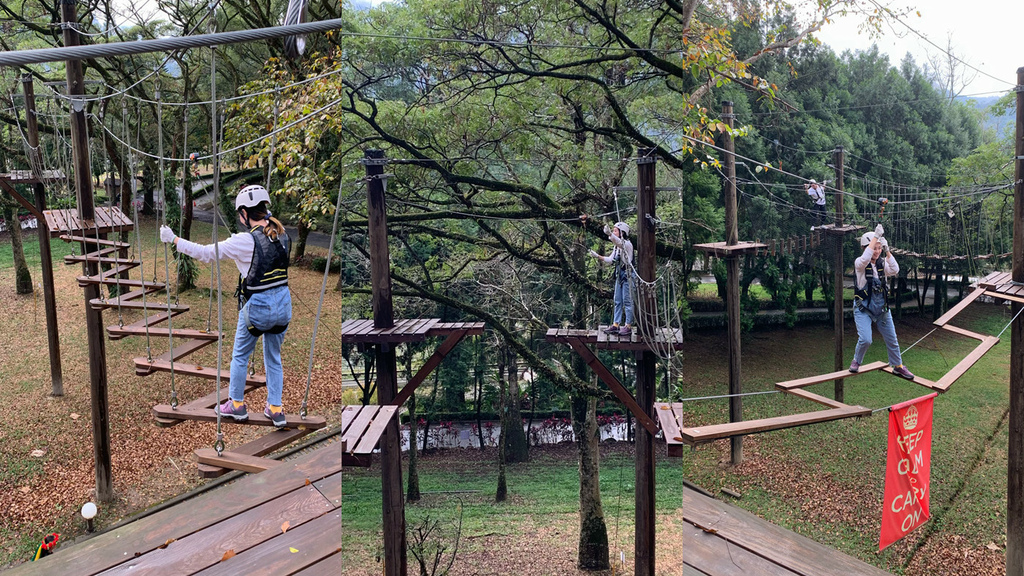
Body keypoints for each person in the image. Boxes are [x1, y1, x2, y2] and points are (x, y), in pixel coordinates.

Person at [159, 184, 293, 426]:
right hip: (283, 306)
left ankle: (237, 404)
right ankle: (275, 407)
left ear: (244, 213)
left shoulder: (245, 240)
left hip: (258, 308)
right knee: (274, 357)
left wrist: (174, 239)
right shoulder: (281, 234)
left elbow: (206, 253)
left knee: (240, 356)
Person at [849, 224, 914, 380]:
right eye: (874, 248)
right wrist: (876, 237)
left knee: (892, 339)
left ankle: (898, 366)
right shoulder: (860, 264)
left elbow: (895, 269)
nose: (877, 251)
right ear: (866, 247)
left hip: (882, 308)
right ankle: (857, 360)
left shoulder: (881, 264)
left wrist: (887, 250)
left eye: (879, 248)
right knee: (866, 339)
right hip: (863, 308)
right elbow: (865, 258)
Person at [589, 221, 634, 336]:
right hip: (619, 275)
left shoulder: (627, 244)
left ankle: (628, 326)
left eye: (615, 230)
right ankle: (616, 324)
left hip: (627, 275)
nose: (614, 232)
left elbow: (619, 242)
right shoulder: (617, 247)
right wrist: (597, 256)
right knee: (617, 300)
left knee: (627, 301)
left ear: (622, 233)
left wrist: (610, 235)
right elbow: (610, 260)